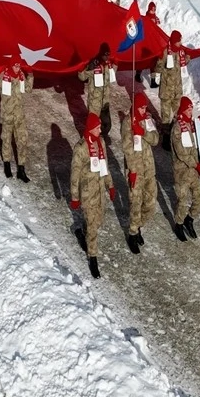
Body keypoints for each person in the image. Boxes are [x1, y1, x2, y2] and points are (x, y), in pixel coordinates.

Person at [69, 112, 116, 279]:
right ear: (90, 129)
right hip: (87, 192)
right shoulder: (81, 148)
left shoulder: (100, 142)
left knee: (98, 220)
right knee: (94, 225)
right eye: (97, 128)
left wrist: (110, 185)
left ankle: (82, 232)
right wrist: (75, 197)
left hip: (100, 191)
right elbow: (74, 175)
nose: (100, 131)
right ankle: (93, 258)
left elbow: (104, 165)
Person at [122, 92, 160, 253]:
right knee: (135, 203)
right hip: (136, 169)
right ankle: (132, 232)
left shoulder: (147, 119)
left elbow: (155, 139)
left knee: (150, 203)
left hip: (149, 168)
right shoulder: (127, 123)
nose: (144, 109)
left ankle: (138, 226)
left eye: (145, 107)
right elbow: (127, 148)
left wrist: (143, 131)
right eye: (142, 107)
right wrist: (132, 170)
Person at [0, 59, 34, 182]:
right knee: (6, 140)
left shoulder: (21, 76)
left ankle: (21, 169)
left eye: (19, 65)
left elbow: (28, 89)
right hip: (7, 115)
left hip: (19, 116)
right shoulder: (3, 76)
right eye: (15, 65)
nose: (17, 68)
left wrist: (30, 75)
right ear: (10, 65)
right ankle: (7, 165)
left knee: (22, 141)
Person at [171, 96, 200, 242]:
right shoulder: (177, 128)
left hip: (194, 172)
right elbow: (181, 153)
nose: (191, 111)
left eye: (192, 108)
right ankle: (178, 224)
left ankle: (189, 220)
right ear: (183, 109)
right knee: (182, 201)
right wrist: (195, 164)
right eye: (188, 108)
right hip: (182, 171)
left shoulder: (191, 125)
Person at [78, 43, 116, 134]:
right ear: (101, 54)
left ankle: (101, 142)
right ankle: (89, 141)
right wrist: (88, 68)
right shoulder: (94, 64)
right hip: (94, 102)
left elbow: (112, 76)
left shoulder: (108, 65)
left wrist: (116, 64)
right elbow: (82, 77)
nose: (107, 57)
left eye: (108, 54)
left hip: (105, 101)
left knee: (106, 126)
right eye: (105, 55)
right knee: (92, 126)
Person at [157, 31, 190, 132]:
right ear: (174, 41)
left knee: (178, 115)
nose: (180, 42)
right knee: (165, 117)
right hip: (166, 91)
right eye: (179, 40)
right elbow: (158, 68)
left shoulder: (181, 52)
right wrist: (161, 60)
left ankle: (175, 134)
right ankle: (166, 138)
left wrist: (187, 58)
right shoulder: (165, 52)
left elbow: (183, 63)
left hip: (177, 91)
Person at [135, 2, 161, 87]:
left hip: (153, 43)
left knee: (153, 61)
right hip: (146, 42)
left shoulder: (156, 19)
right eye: (151, 9)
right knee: (144, 59)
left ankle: (153, 81)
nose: (153, 11)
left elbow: (158, 28)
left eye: (154, 9)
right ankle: (138, 74)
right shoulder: (145, 18)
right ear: (149, 9)